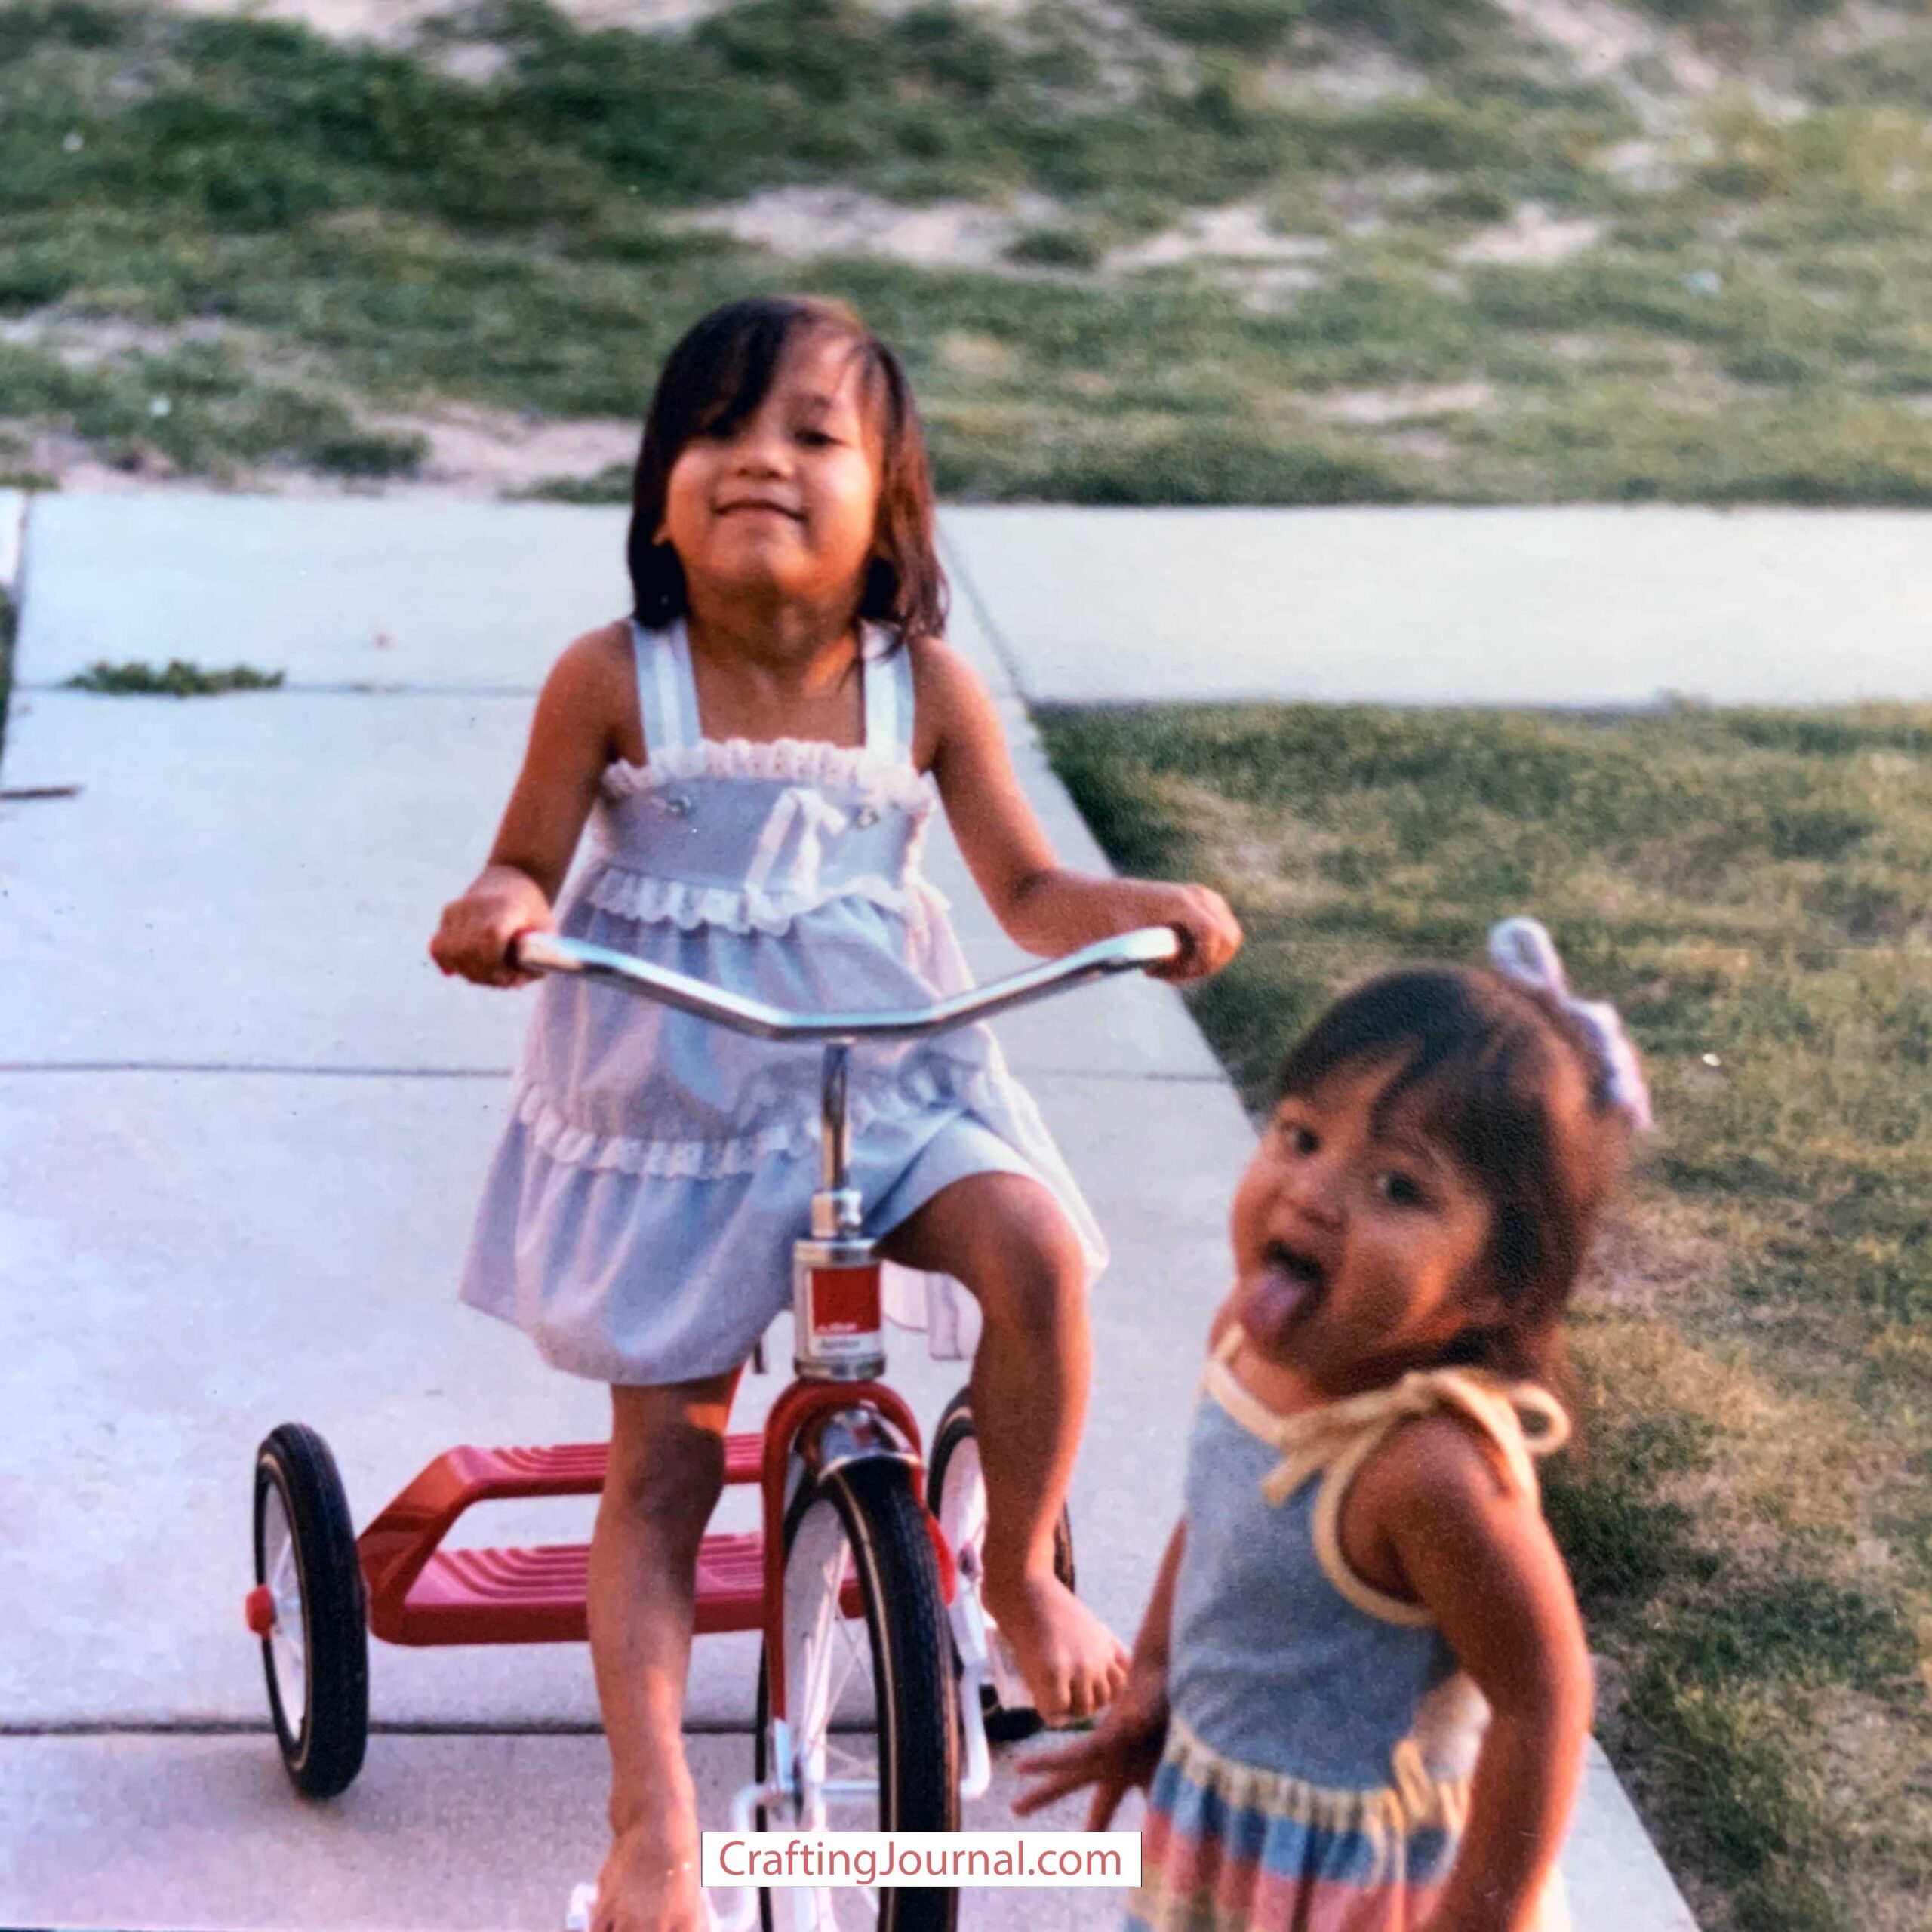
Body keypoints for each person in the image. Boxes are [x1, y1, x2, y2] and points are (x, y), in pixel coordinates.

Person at [429, 294, 1241, 1932]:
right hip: (677, 1085)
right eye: (718, 432)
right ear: (659, 489)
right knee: (663, 1456)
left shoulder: (920, 687)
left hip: (887, 1072)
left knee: (1034, 1251)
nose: (760, 461)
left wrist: (1135, 907)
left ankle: (1013, 1566)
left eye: (813, 434)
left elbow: (1023, 887)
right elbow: (523, 853)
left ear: (891, 507)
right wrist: (497, 905)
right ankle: (653, 1816)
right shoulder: (612, 679)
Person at [1017, 918, 1652, 1932]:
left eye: (1398, 1186)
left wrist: (1482, 1916)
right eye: (1302, 1135)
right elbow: (1217, 1517)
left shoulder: (1428, 1470)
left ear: (1495, 1285)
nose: (1312, 1193)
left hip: (1361, 1885)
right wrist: (1151, 1684)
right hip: (1225, 1836)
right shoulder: (1247, 1341)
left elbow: (1543, 1700)